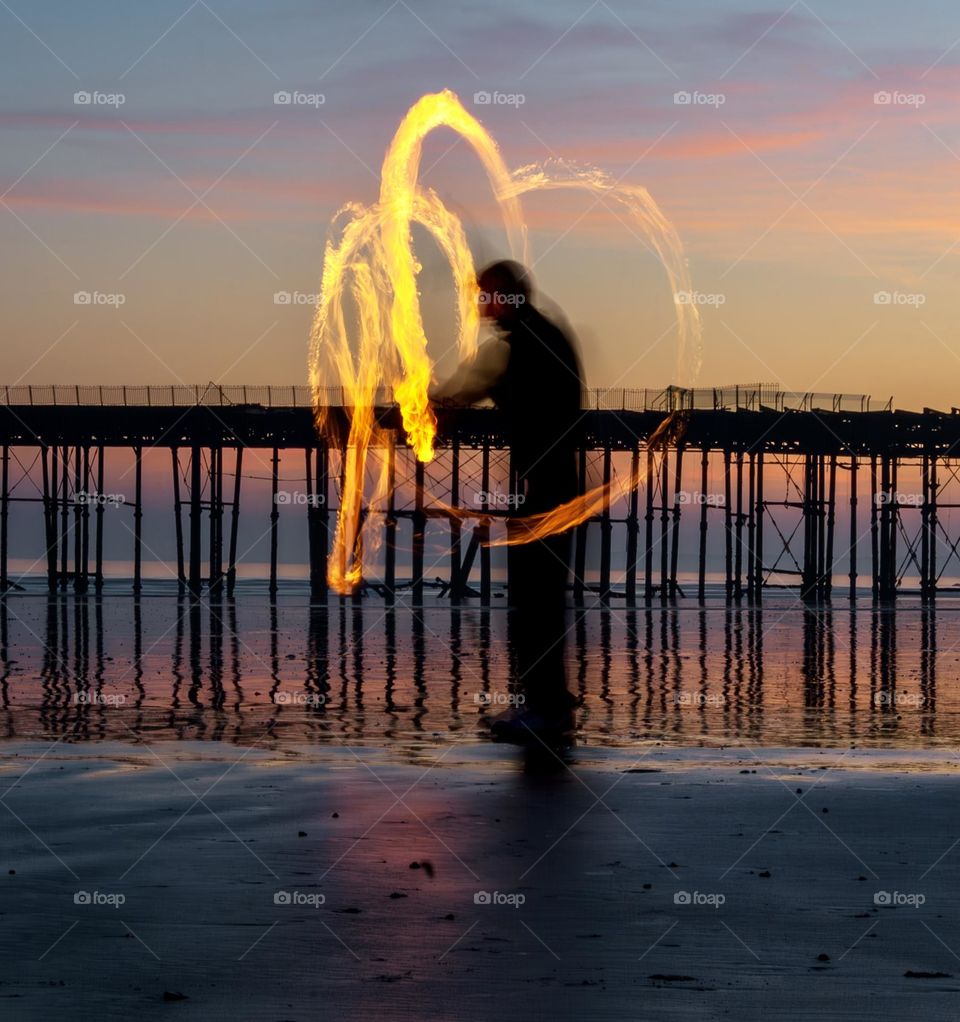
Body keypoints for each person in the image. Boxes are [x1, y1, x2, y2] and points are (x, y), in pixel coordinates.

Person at [435, 260, 584, 743]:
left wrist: (427, 409)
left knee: (533, 599)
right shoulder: (543, 337)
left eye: (487, 294)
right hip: (551, 484)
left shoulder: (525, 346)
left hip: (545, 490)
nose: (480, 304)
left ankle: (545, 710)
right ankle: (546, 704)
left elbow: (475, 384)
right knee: (538, 599)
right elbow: (481, 383)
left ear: (507, 296)